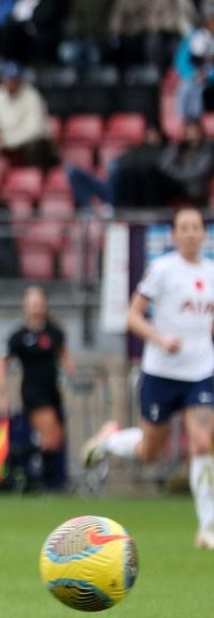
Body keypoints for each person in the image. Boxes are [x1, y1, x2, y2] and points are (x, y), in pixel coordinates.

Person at [83, 208, 214, 550]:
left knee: (202, 443)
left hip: (200, 371)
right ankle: (111, 440)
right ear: (173, 234)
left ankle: (207, 527)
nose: (190, 233)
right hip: (162, 372)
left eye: (195, 227)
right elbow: (133, 315)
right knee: (151, 451)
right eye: (183, 227)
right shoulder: (162, 269)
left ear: (204, 233)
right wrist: (160, 339)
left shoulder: (212, 271)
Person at [0, 287, 74, 492]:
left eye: (39, 302)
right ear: (25, 306)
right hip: (33, 393)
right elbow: (1, 360)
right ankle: (45, 483)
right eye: (32, 303)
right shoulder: (20, 336)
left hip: (53, 392)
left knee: (56, 440)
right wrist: (2, 391)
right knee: (50, 438)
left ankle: (18, 460)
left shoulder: (54, 332)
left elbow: (65, 358)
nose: (36, 307)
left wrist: (71, 374)